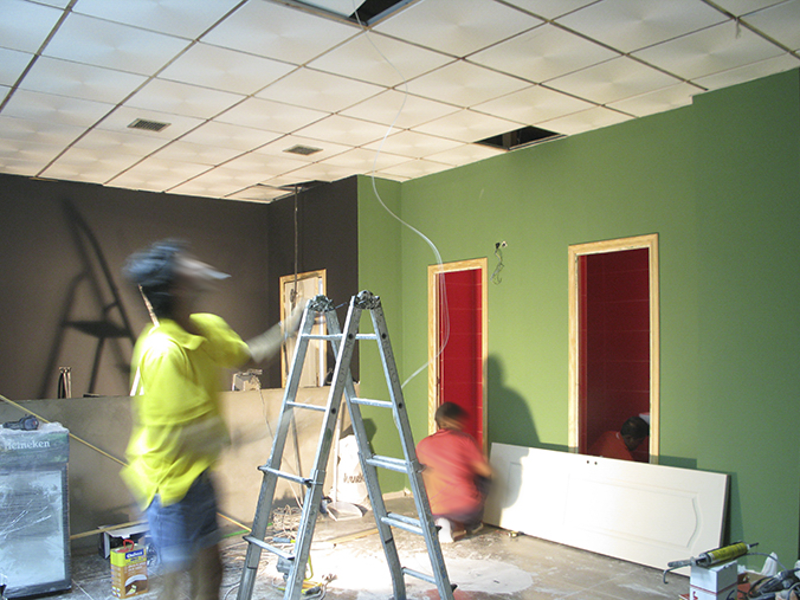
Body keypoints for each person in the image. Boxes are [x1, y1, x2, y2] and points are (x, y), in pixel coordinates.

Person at [122, 240, 300, 600]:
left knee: (212, 570)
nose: (197, 265)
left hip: (198, 477)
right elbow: (182, 437)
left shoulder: (205, 327)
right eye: (186, 263)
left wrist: (293, 323)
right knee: (174, 583)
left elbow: (251, 356)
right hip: (167, 488)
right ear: (176, 286)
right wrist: (252, 433)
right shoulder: (164, 353)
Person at [415, 402, 492, 543]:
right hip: (465, 510)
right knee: (485, 478)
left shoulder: (422, 445)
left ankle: (443, 521)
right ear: (456, 420)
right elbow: (486, 471)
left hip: (433, 509)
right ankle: (471, 524)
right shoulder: (465, 439)